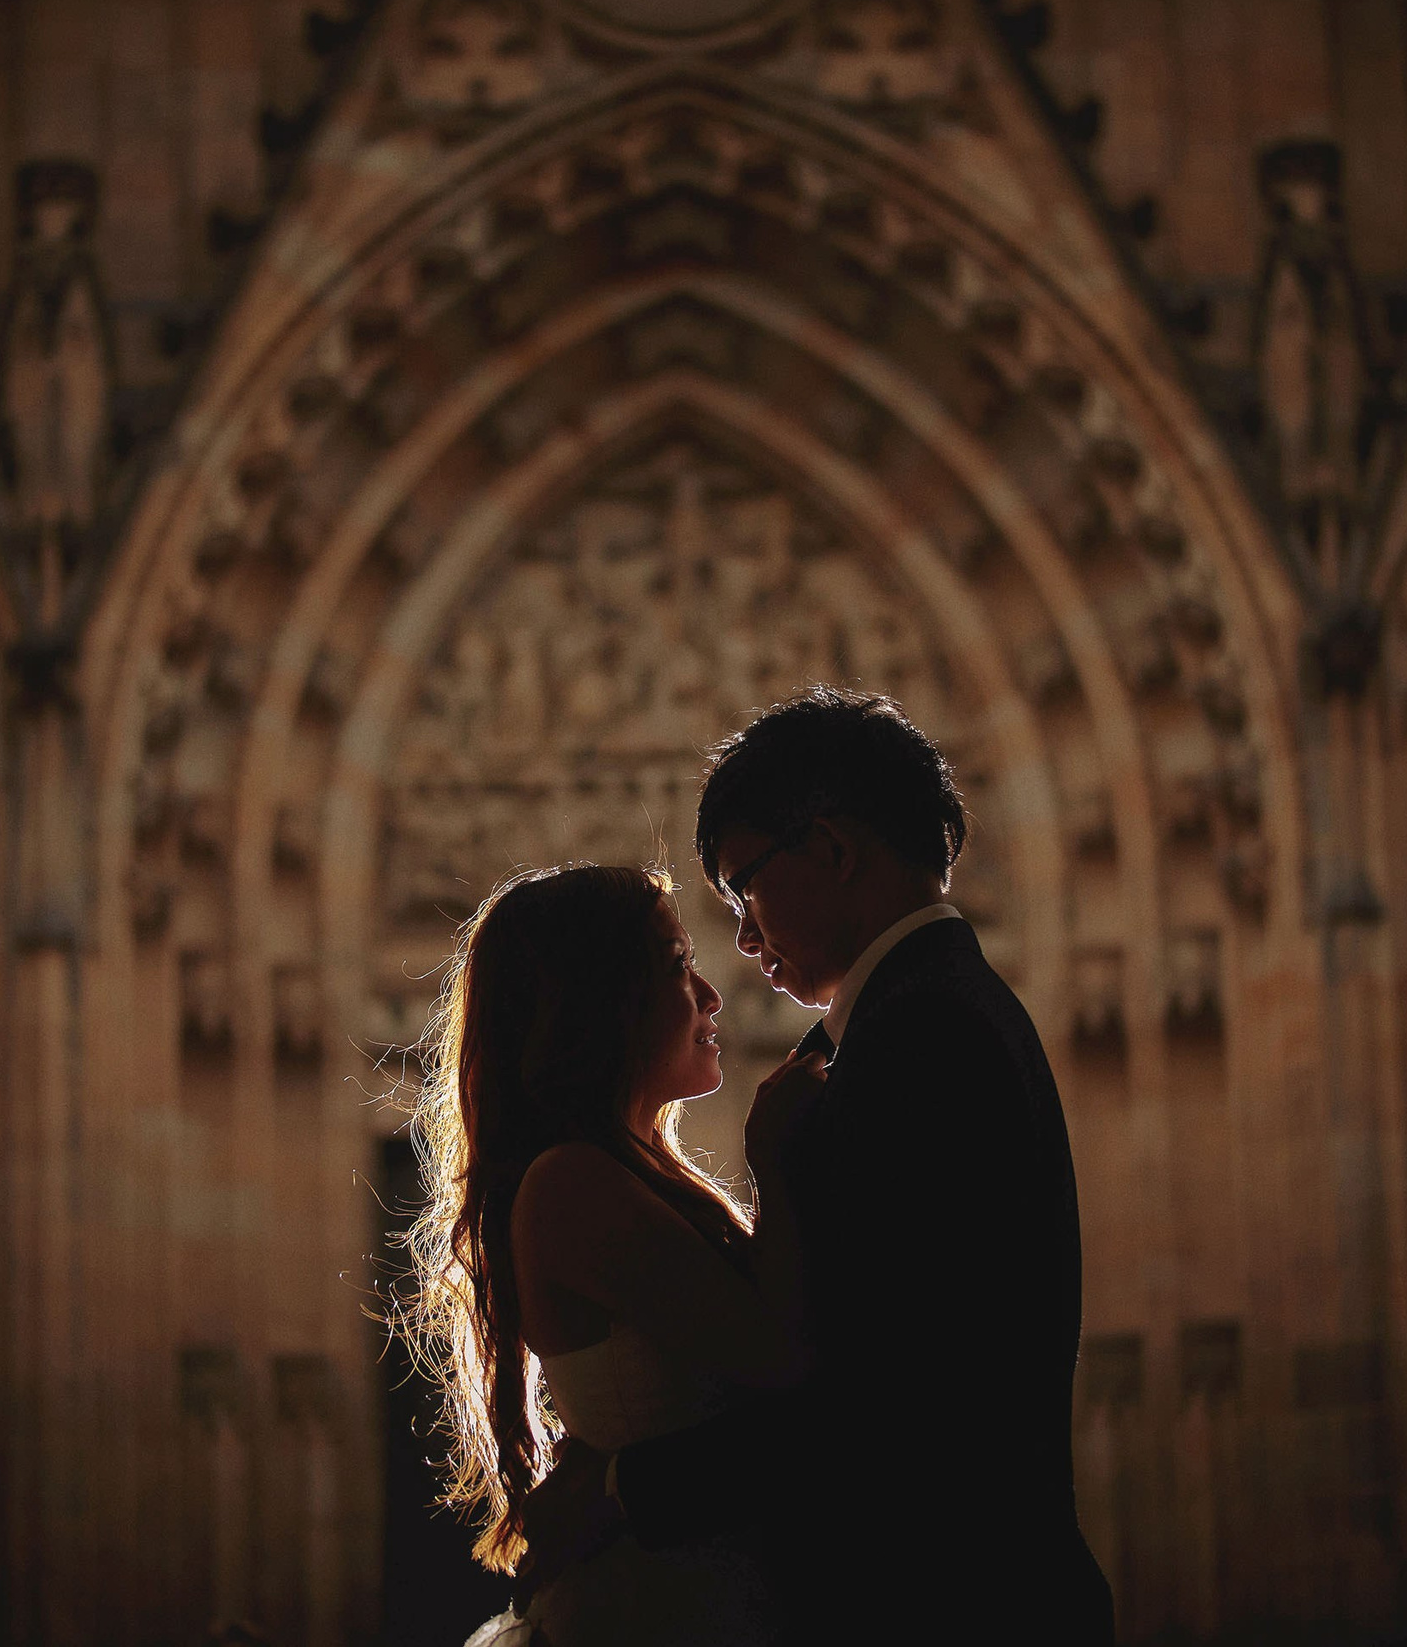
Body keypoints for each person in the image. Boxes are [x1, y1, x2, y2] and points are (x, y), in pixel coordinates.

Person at [521, 688, 1115, 1642]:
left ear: (832, 850)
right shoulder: (931, 1016)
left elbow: (877, 1403)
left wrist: (621, 1491)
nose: (745, 940)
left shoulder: (923, 1037)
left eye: (742, 891)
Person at [405, 862, 822, 1645]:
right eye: (675, 966)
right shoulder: (573, 1184)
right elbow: (784, 1360)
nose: (710, 995)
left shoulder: (625, 1170)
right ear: (597, 1006)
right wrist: (775, 1158)